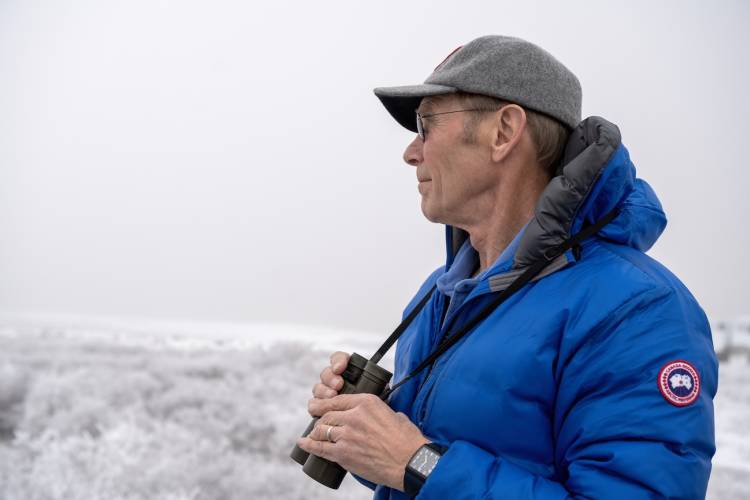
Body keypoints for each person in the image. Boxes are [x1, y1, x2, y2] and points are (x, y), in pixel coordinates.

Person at [295, 35, 717, 499]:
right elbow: (416, 466)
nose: (411, 152)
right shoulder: (441, 294)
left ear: (503, 132)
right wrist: (366, 436)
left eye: (426, 125)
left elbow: (421, 465)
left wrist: (414, 462)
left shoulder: (637, 310)